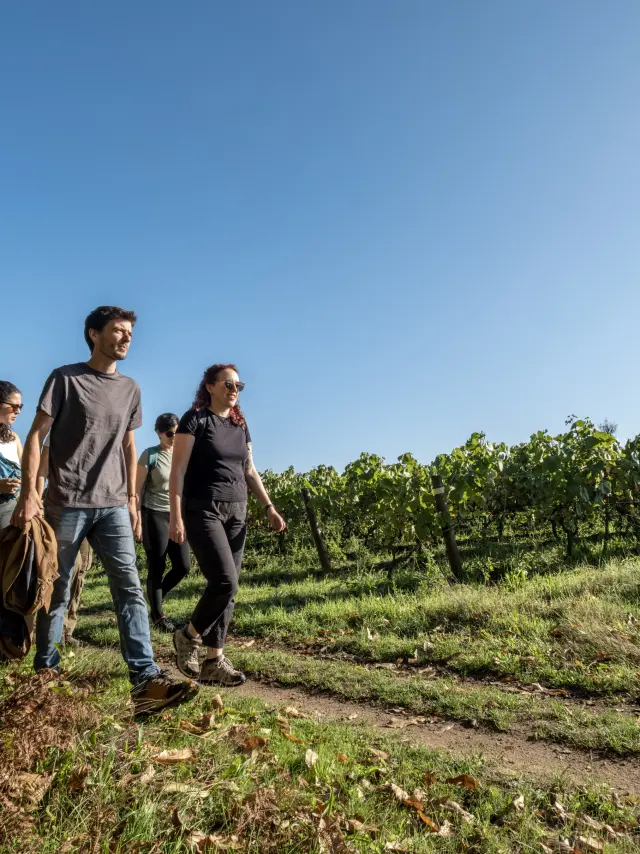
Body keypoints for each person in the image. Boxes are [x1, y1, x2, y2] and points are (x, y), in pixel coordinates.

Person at [11, 305, 197, 713]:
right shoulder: (65, 378)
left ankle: (146, 681)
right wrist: (30, 492)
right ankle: (47, 676)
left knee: (129, 589)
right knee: (55, 592)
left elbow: (128, 445)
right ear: (93, 334)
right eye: (118, 330)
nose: (127, 337)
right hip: (66, 503)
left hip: (113, 505)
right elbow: (36, 437)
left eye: (130, 331)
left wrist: (132, 500)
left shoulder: (131, 388)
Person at [169, 363, 286, 686]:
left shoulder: (240, 423)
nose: (234, 390)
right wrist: (175, 516)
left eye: (239, 385)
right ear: (210, 386)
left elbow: (249, 469)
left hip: (238, 510)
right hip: (202, 509)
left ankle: (213, 661)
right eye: (228, 383)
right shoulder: (195, 420)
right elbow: (177, 472)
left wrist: (269, 507)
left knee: (229, 590)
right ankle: (187, 635)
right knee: (225, 582)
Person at [135, 413, 190, 632]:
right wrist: (137, 519)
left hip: (176, 515)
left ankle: (154, 600)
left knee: (183, 566)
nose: (174, 437)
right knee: (156, 566)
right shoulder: (150, 455)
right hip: (154, 514)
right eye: (169, 434)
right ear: (159, 433)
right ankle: (158, 617)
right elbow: (137, 490)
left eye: (177, 433)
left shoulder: (183, 455)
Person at [36, 436, 93, 645]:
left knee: (81, 571)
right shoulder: (57, 432)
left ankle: (68, 630)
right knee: (62, 570)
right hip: (62, 505)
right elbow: (42, 470)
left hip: (90, 505)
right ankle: (52, 630)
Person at [0, 381, 23, 532]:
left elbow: (28, 475)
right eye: (13, 406)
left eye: (20, 407)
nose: (18, 411)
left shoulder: (13, 438)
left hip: (12, 511)